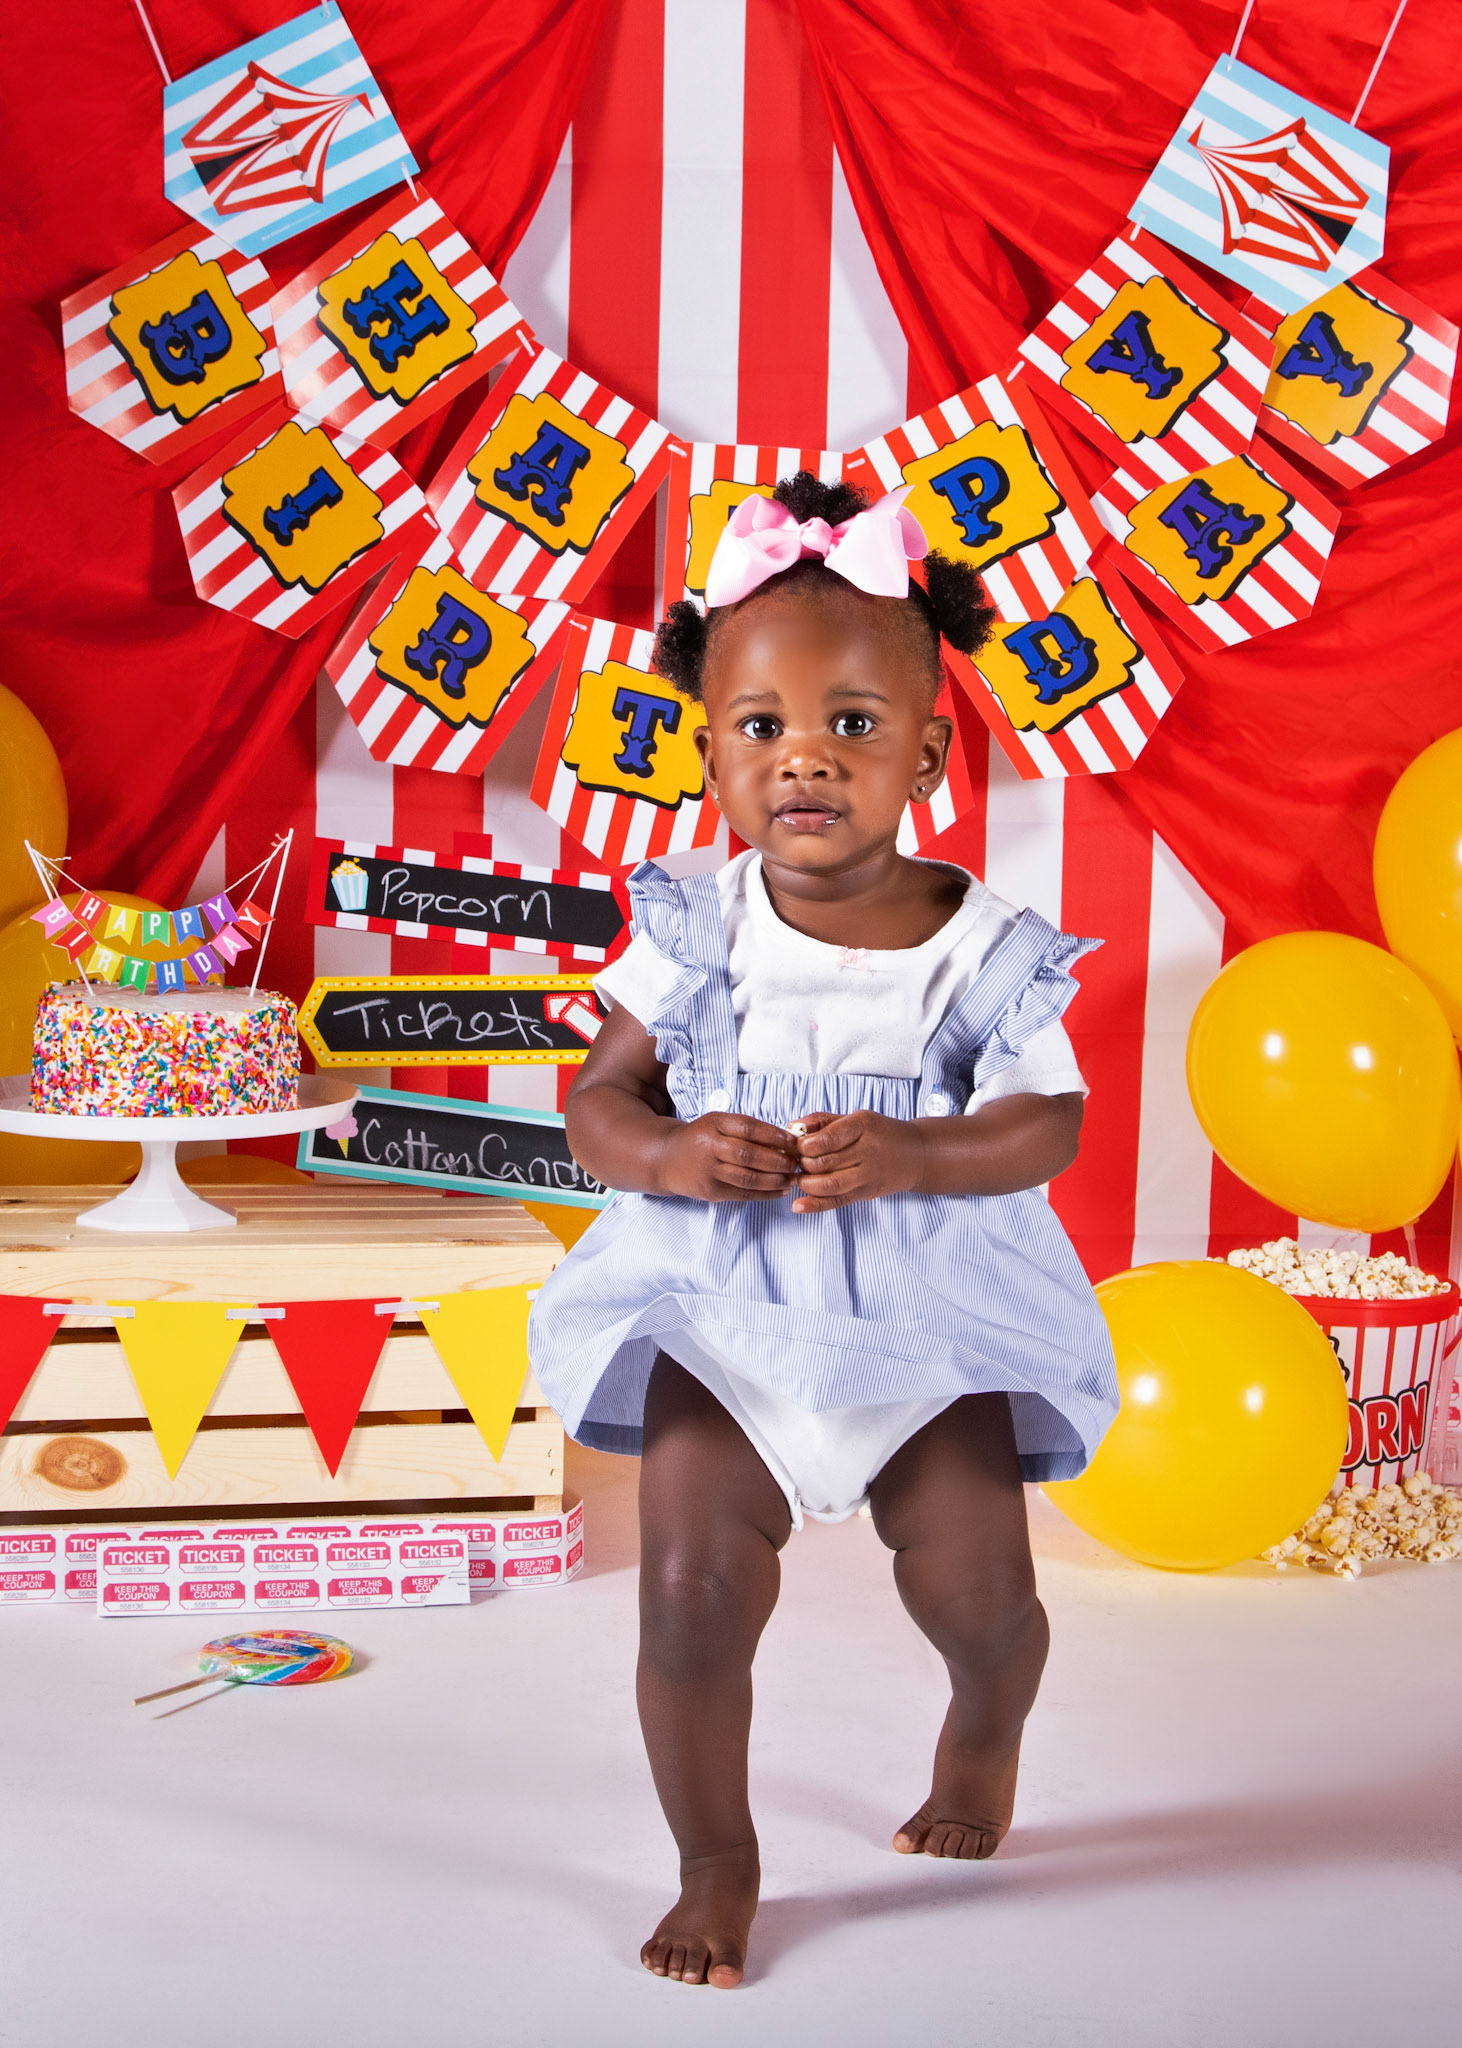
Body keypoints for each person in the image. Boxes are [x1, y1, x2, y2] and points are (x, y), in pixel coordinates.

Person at [528, 472, 1118, 1989]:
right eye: (762, 726)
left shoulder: (982, 945)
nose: (805, 757)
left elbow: (1046, 1124)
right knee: (688, 1597)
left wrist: (917, 1150)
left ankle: (983, 1728)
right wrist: (670, 1153)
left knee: (980, 1596)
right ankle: (716, 1860)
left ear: (927, 750)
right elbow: (594, 1104)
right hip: (724, 1306)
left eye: (852, 724)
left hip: (925, 1314)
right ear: (710, 753)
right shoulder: (694, 927)